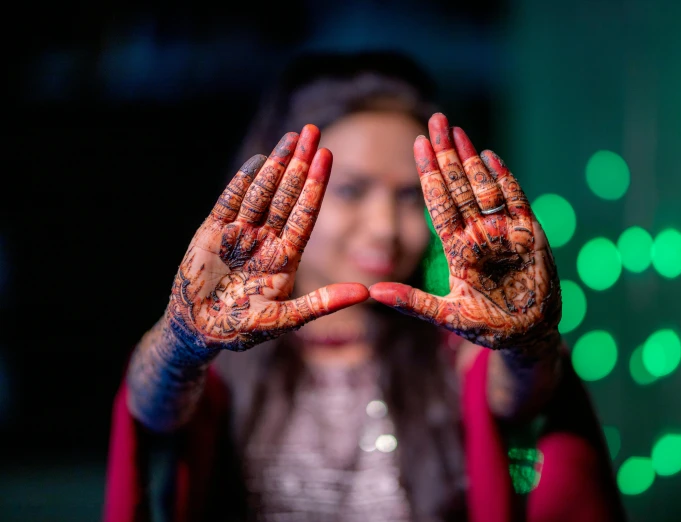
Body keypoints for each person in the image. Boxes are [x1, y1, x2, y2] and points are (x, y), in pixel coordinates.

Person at [103, 51, 627, 522]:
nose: (384, 227)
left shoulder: (456, 350)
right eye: (351, 190)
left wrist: (528, 342)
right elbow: (150, 411)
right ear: (280, 189)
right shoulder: (220, 362)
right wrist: (183, 343)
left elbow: (521, 399)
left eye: (407, 197)